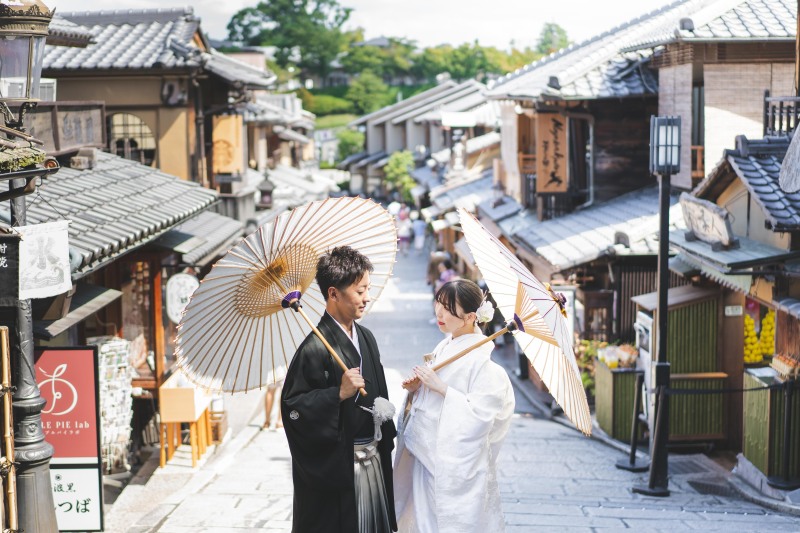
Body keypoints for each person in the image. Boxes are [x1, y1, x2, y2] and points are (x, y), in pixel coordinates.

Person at [282, 246, 397, 533]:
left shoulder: (366, 337)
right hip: (339, 471)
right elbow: (293, 408)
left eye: (368, 289)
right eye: (360, 291)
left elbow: (378, 394)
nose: (366, 298)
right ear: (333, 293)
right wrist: (337, 394)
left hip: (372, 459)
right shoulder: (313, 349)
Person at [394, 279, 515, 533]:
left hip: (449, 463)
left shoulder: (485, 366)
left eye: (448, 309)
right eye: (438, 304)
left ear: (470, 317)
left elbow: (482, 418)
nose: (439, 313)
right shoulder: (445, 346)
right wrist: (416, 393)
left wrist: (442, 388)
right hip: (424, 453)